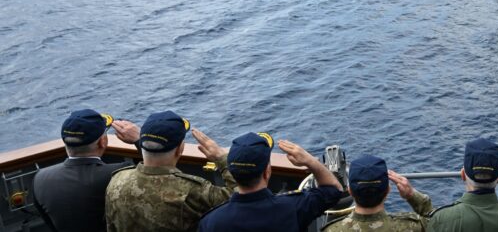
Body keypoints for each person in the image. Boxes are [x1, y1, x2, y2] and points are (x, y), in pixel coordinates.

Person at [105, 110, 236, 232]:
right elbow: (238, 198)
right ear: (180, 149)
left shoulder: (117, 181)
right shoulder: (193, 190)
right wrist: (222, 159)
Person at [198, 133, 343, 232]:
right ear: (267, 172)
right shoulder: (293, 207)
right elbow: (334, 190)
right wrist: (310, 161)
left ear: (233, 175)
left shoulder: (211, 222)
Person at [32, 109, 140, 232]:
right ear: (102, 141)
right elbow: (160, 176)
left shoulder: (40, 179)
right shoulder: (120, 173)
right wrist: (138, 139)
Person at [322, 154, 432, 231]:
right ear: (388, 190)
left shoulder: (331, 230)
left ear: (350, 191)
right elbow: (439, 222)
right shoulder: (412, 226)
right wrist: (411, 195)